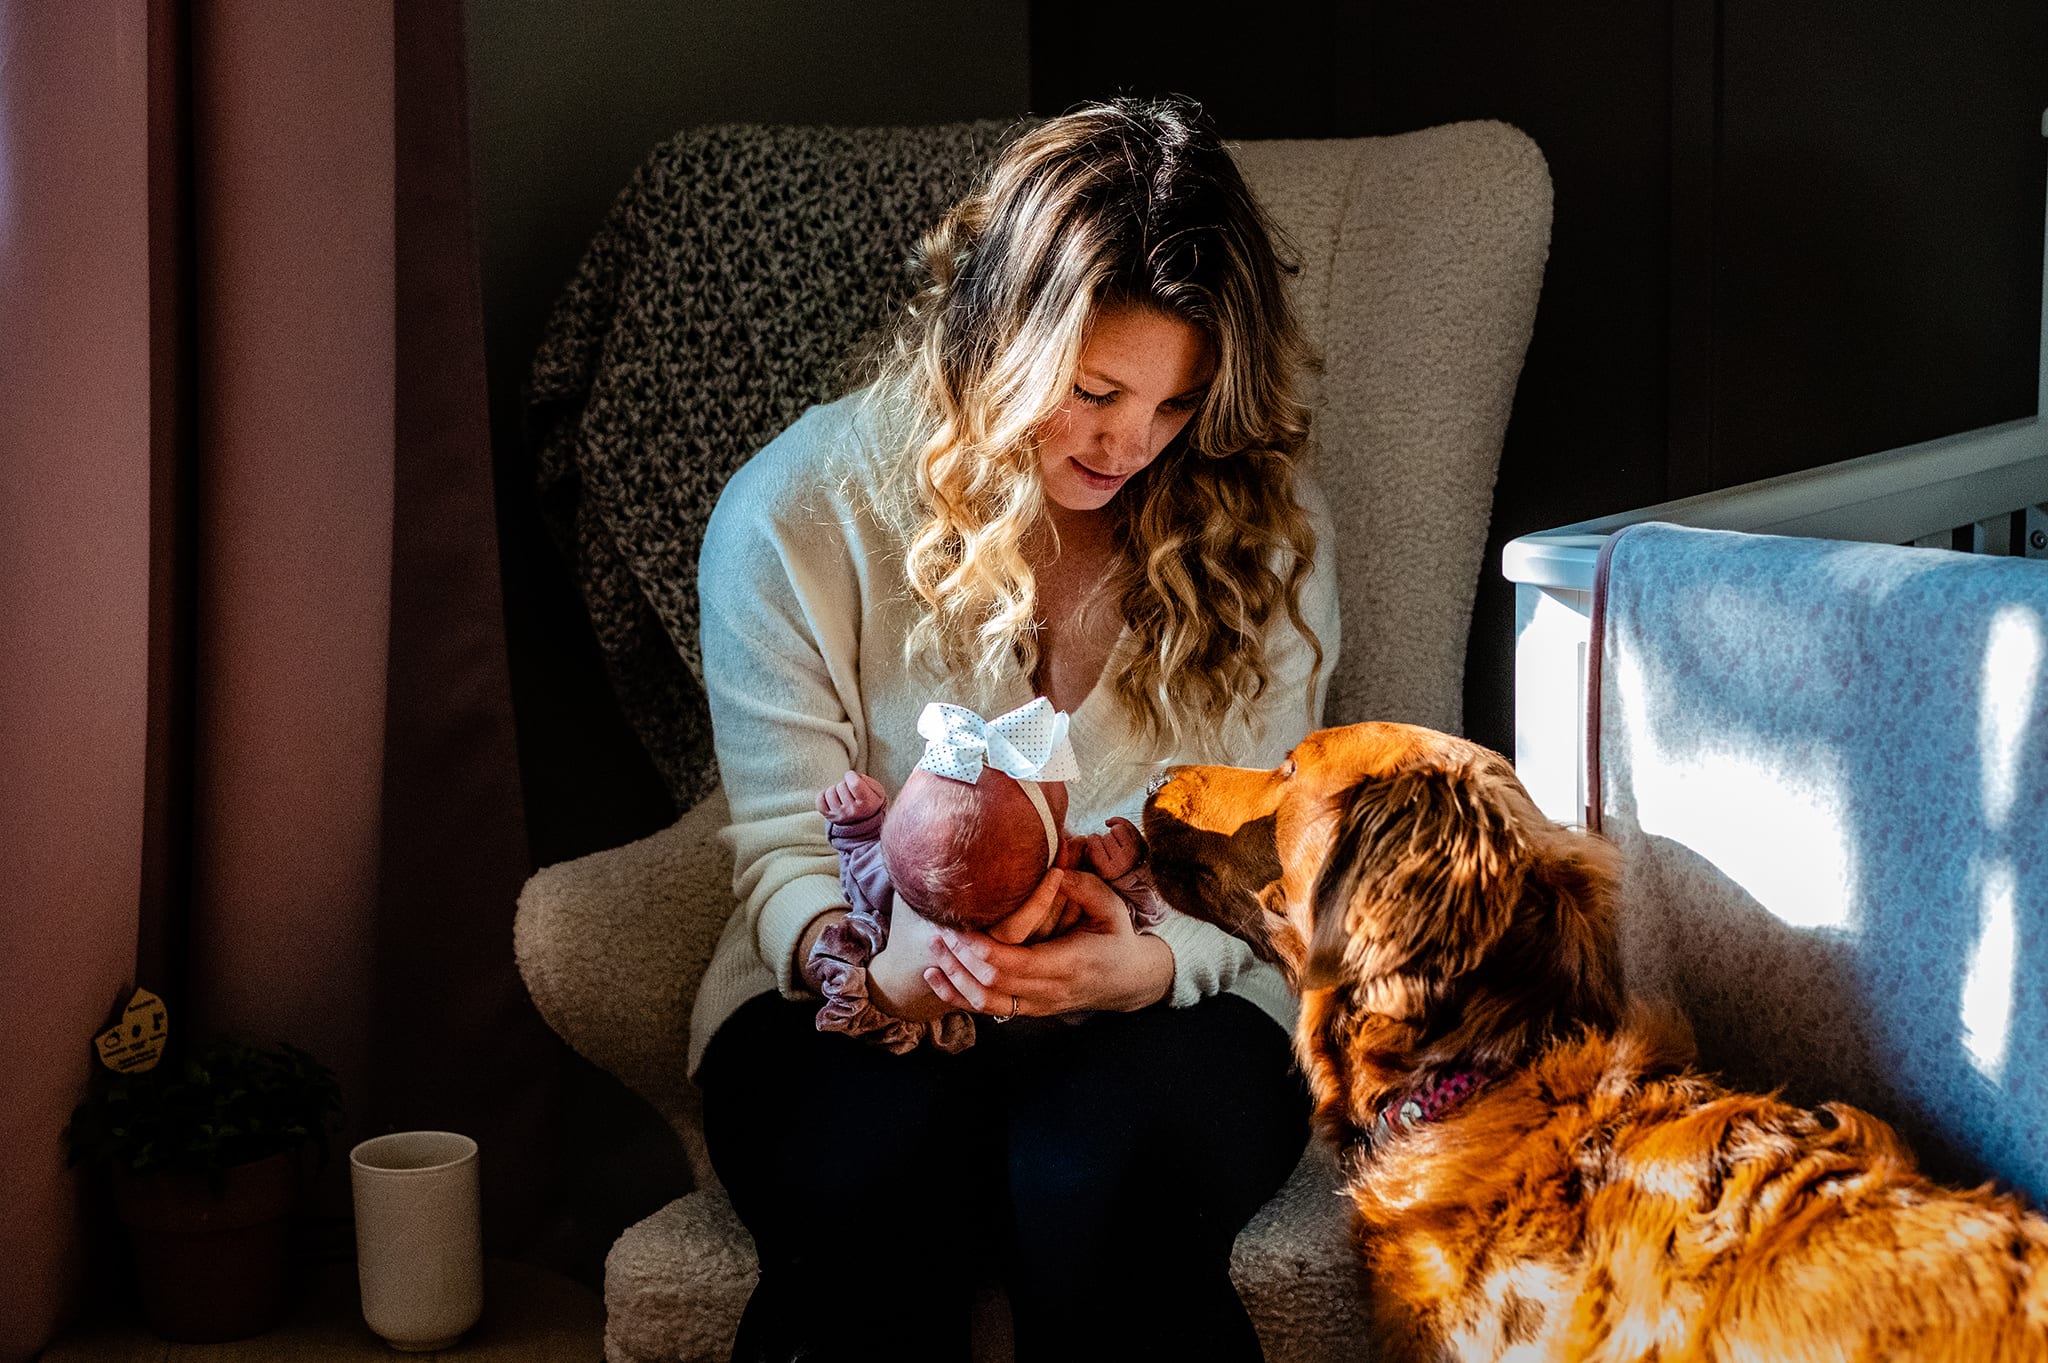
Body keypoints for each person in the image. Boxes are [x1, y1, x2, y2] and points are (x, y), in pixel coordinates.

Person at [690, 95, 1342, 1363]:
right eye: (1095, 390)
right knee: (870, 1179)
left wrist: (1144, 967)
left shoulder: (1257, 534)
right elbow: (782, 847)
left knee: (1094, 1179)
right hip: (843, 984)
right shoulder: (798, 514)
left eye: (1175, 402)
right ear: (997, 334)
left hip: (1173, 990)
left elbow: (1262, 863)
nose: (1130, 444)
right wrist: (884, 970)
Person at [810, 697, 1171, 1055]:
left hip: (943, 1017)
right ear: (1059, 851)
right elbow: (1140, 918)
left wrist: (859, 823)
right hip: (1032, 1041)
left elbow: (858, 860)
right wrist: (1128, 874)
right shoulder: (1069, 890)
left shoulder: (889, 879)